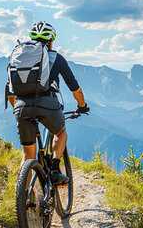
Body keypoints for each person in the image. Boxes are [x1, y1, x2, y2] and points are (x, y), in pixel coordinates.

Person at [8, 21, 89, 185]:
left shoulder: (18, 58)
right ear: (51, 40)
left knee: (27, 155)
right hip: (48, 105)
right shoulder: (56, 58)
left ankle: (23, 199)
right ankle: (54, 169)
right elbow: (76, 90)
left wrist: (20, 110)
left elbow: (10, 93)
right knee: (60, 133)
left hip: (21, 106)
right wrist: (82, 106)